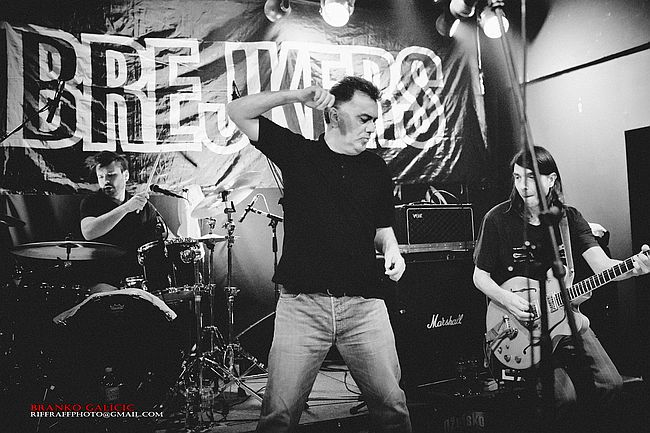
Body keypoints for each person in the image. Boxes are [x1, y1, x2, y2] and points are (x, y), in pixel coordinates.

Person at [227, 76, 412, 432]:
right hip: (303, 307)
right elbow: (237, 111)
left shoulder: (375, 167)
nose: (371, 128)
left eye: (374, 119)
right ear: (333, 115)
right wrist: (296, 95)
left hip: (364, 306)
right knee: (279, 416)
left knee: (392, 408)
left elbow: (382, 228)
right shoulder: (299, 153)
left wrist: (393, 250)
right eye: (364, 118)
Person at [473, 146, 650, 432]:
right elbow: (479, 277)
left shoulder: (568, 219)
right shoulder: (497, 219)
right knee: (562, 398)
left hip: (566, 320)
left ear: (551, 179)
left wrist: (634, 267)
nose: (522, 185)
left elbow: (604, 267)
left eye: (530, 177)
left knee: (611, 385)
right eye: (517, 177)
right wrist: (508, 299)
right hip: (522, 327)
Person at [80, 151, 166, 292]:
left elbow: (159, 243)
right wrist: (126, 208)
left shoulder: (144, 207)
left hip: (138, 280)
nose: (105, 181)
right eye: (101, 177)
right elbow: (88, 232)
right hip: (103, 278)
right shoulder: (91, 202)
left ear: (125, 175)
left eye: (111, 175)